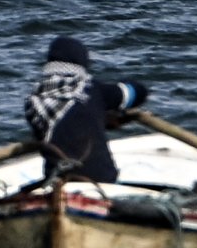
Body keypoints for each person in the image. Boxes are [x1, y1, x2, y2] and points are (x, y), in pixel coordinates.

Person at [24, 35, 149, 183]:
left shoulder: (33, 101)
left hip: (59, 181)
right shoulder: (92, 89)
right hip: (102, 179)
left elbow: (64, 127)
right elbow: (136, 93)